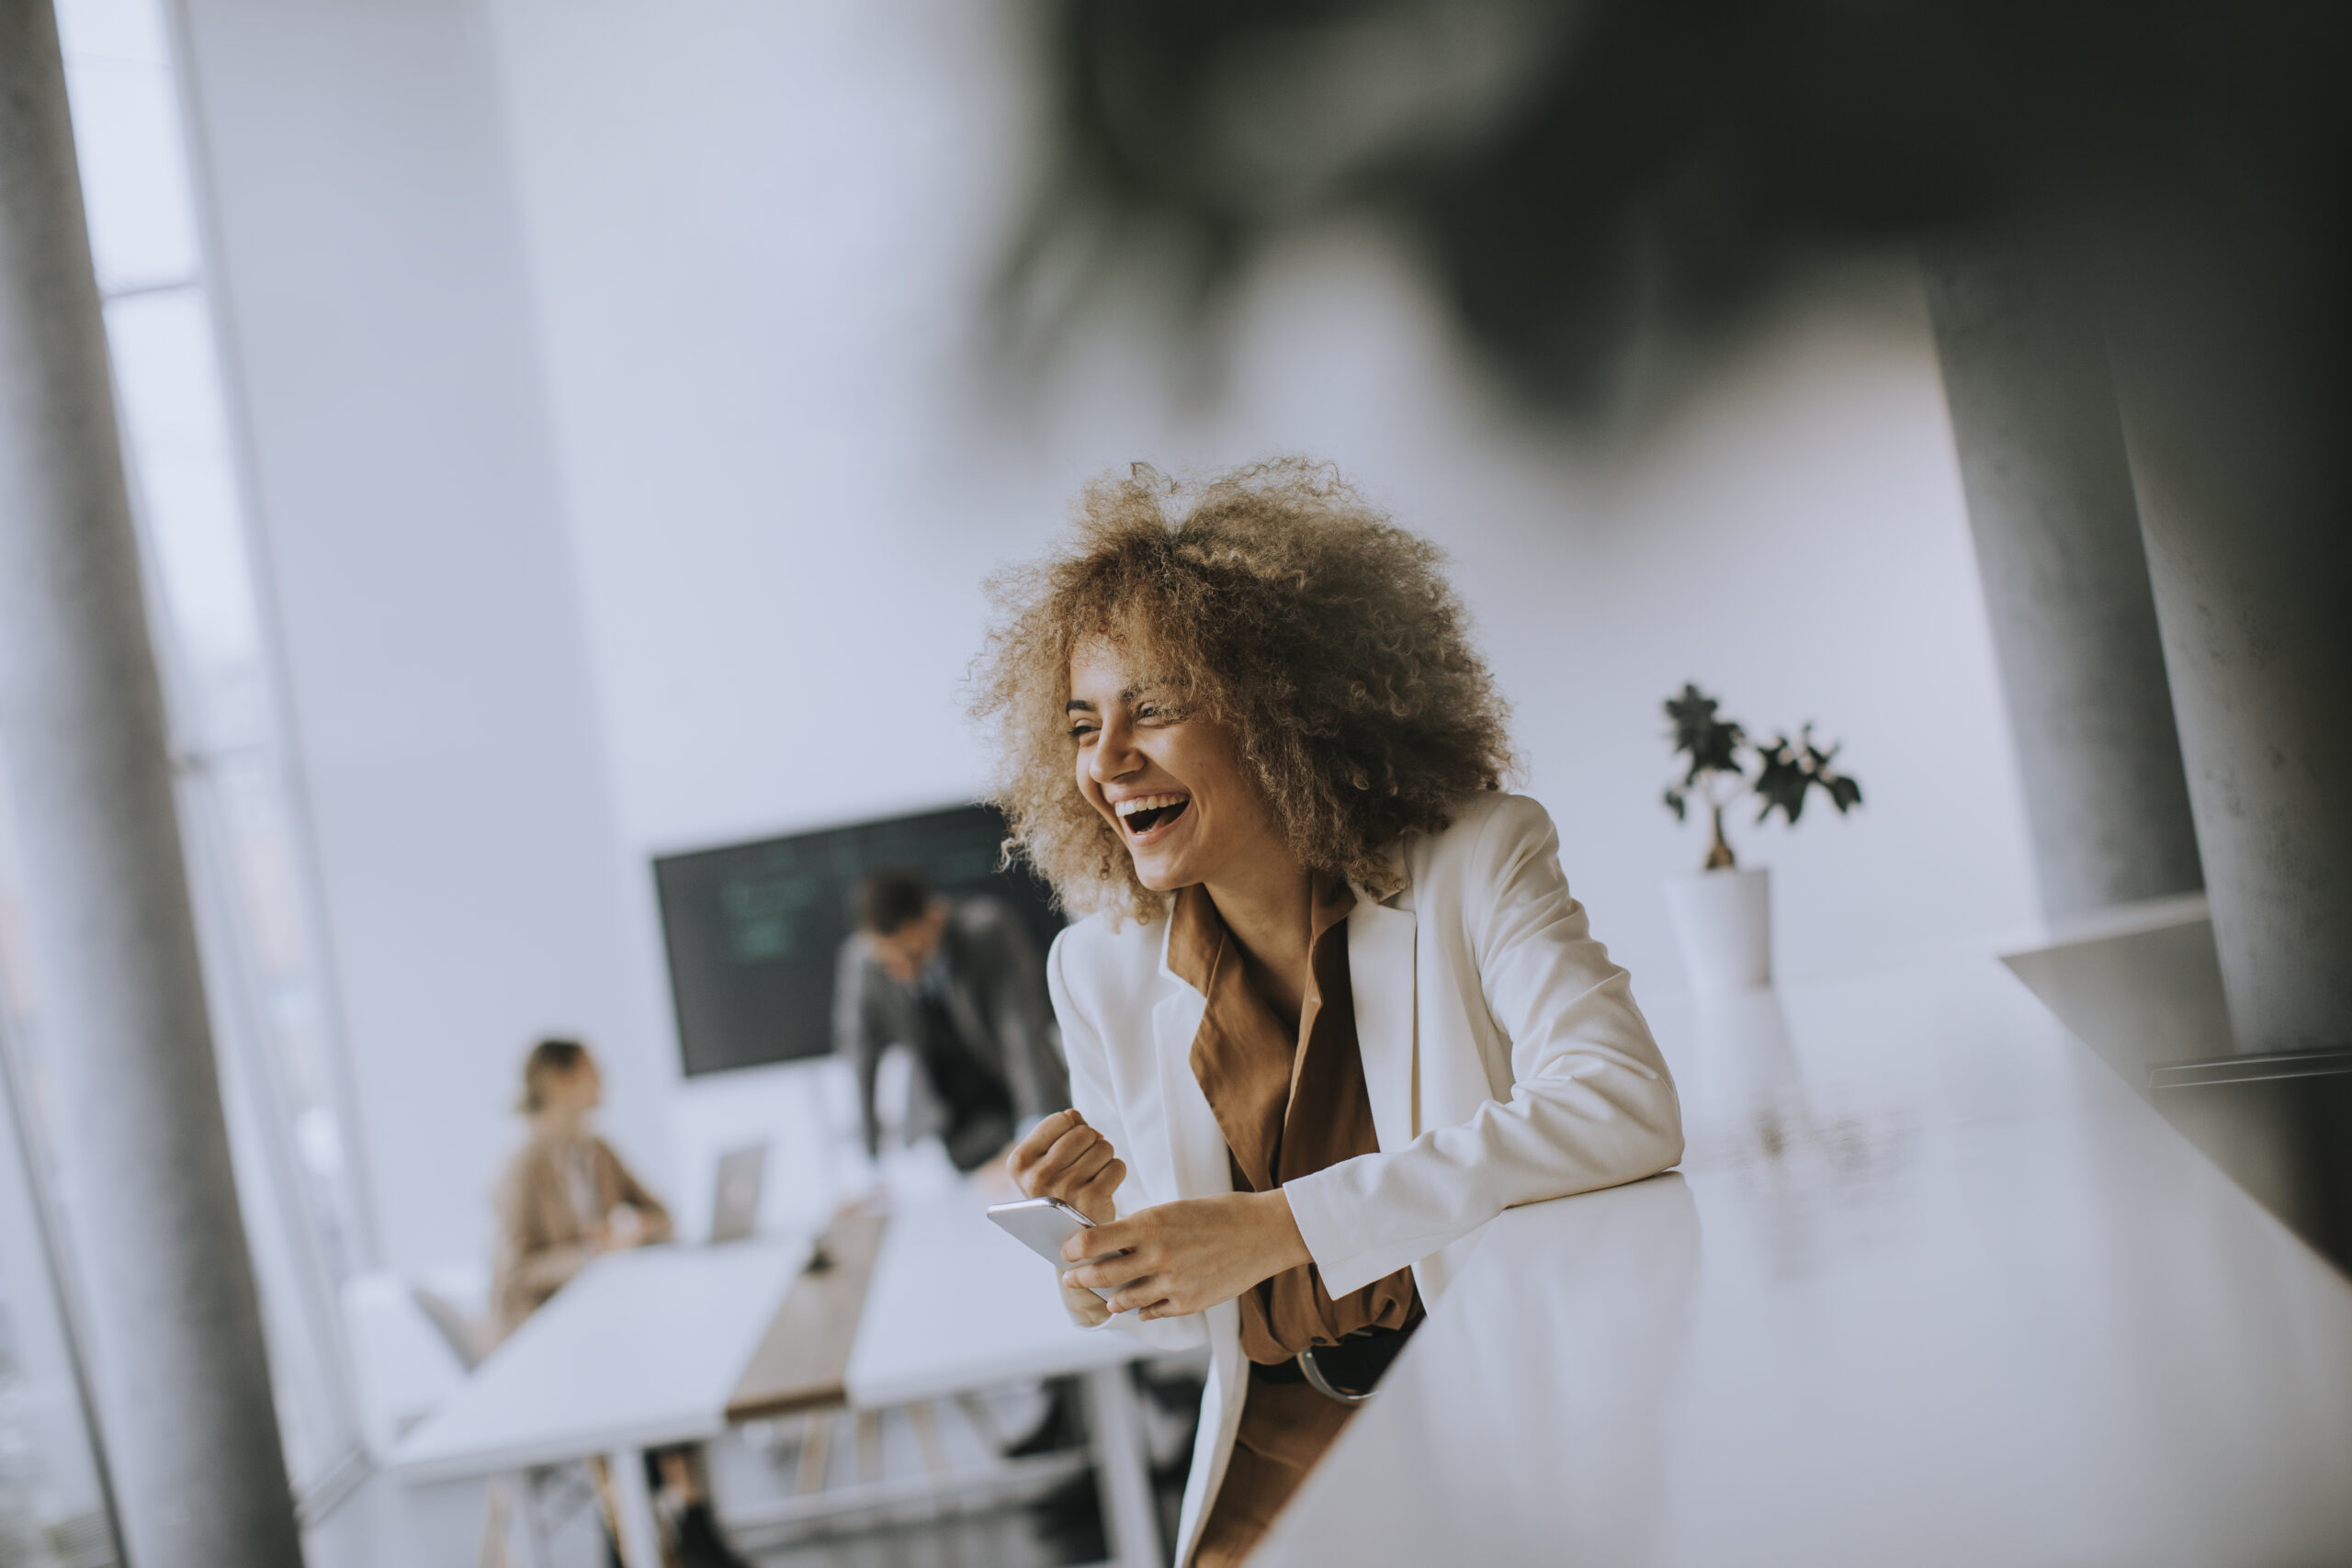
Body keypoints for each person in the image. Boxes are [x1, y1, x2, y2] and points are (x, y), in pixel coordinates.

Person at [980, 460, 1685, 1568]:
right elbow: (1188, 1307)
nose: (1107, 763)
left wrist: (1279, 1227)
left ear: (1280, 710)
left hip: (1491, 1413)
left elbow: (1623, 1107)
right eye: (1080, 725)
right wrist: (1106, 1258)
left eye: (1153, 708)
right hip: (1276, 1445)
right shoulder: (1099, 971)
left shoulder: (1476, 861)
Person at [489, 1039, 750, 1568]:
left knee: (673, 1376)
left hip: (608, 1333)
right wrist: (590, 1252)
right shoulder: (522, 1168)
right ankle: (644, 1536)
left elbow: (662, 1214)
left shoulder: (597, 1151)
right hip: (550, 1350)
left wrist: (635, 1229)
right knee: (630, 1394)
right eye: (592, 1073)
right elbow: (514, 1274)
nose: (604, 1082)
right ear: (560, 1081)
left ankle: (684, 1526)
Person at [834, 868, 1067, 1173]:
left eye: (914, 954)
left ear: (934, 916)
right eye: (891, 964)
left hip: (1017, 1102)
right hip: (945, 1127)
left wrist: (1033, 1137)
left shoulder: (988, 929)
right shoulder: (862, 960)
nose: (905, 972)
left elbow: (1021, 1034)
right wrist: (867, 1163)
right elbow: (860, 1060)